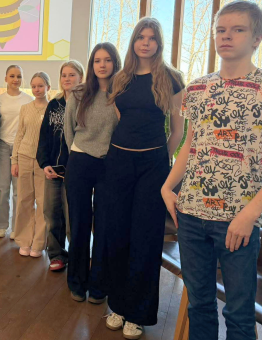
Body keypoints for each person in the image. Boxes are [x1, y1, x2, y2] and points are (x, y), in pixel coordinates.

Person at [162, 1, 262, 340]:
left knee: (239, 315)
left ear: (256, 38)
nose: (226, 36)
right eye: (221, 30)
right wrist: (167, 187)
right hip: (190, 214)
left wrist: (250, 214)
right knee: (199, 306)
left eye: (238, 30)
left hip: (238, 220)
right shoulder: (197, 88)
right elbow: (190, 145)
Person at [104, 18, 185, 339]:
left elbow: (178, 130)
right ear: (134, 41)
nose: (146, 43)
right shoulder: (120, 78)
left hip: (153, 166)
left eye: (152, 38)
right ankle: (118, 305)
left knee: (146, 237)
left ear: (159, 43)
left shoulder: (172, 78)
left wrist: (161, 158)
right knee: (117, 234)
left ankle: (137, 313)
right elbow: (122, 118)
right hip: (118, 162)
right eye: (141, 37)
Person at [64, 43, 121, 303]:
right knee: (79, 224)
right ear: (91, 64)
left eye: (107, 60)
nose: (102, 65)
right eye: (97, 60)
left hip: (110, 165)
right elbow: (69, 130)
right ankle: (77, 282)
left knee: (105, 226)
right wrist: (79, 152)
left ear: (115, 63)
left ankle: (99, 286)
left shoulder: (122, 94)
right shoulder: (78, 92)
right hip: (80, 162)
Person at [37, 60, 85, 272]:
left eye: (72, 75)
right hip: (52, 171)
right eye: (64, 75)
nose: (67, 78)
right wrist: (44, 163)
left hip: (75, 171)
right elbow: (44, 137)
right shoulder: (53, 104)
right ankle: (57, 255)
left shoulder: (86, 104)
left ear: (81, 77)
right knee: (51, 214)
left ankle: (77, 258)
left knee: (72, 217)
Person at [11, 72, 51, 257]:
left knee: (43, 203)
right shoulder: (25, 108)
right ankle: (24, 240)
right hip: (24, 157)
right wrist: (15, 160)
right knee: (24, 200)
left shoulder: (53, 108)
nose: (37, 89)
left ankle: (39, 243)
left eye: (40, 86)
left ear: (48, 87)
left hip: (44, 161)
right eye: (34, 86)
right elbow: (19, 134)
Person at [0, 65, 33, 239]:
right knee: (3, 189)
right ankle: (2, 225)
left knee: (19, 191)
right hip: (2, 146)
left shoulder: (29, 100)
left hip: (22, 149)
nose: (15, 79)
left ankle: (17, 228)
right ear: (6, 79)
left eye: (18, 76)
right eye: (12, 76)